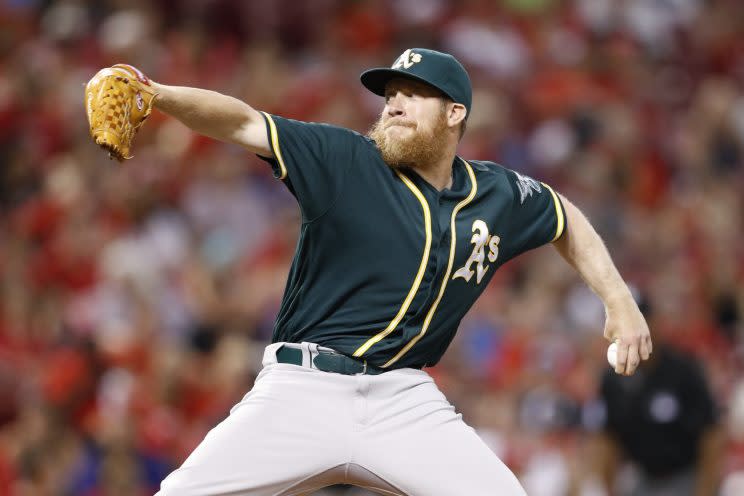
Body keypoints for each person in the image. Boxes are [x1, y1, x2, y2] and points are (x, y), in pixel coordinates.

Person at [110, 48, 652, 495]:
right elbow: (245, 121)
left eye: (412, 95)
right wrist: (156, 95)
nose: (393, 105)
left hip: (403, 399)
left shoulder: (496, 193)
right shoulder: (346, 160)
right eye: (389, 95)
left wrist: (619, 301)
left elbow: (565, 219)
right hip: (304, 387)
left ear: (455, 113)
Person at [593, 296, 722, 496]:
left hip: (686, 477)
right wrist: (610, 488)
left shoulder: (683, 370)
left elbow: (711, 434)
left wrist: (704, 490)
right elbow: (607, 438)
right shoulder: (612, 379)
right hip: (642, 478)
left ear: (652, 323)